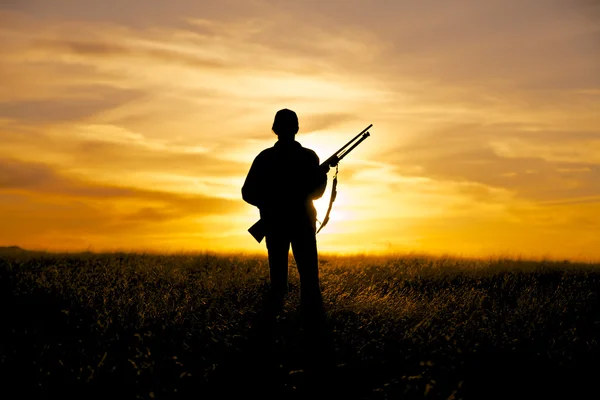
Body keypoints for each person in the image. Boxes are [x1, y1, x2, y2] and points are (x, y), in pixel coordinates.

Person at [242, 109, 329, 313]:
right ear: (297, 128)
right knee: (308, 282)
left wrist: (269, 206)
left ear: (274, 129)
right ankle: (311, 326)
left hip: (278, 225)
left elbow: (248, 193)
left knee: (280, 283)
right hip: (296, 224)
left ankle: (275, 328)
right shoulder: (308, 157)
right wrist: (274, 205)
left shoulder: (265, 158)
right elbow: (317, 194)